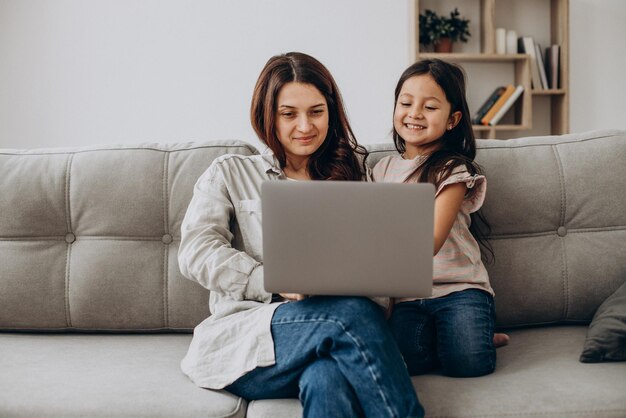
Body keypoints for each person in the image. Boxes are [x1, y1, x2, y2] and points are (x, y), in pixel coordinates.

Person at [178, 52, 424, 418]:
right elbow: (196, 251)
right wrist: (274, 281)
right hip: (251, 343)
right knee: (348, 315)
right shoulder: (229, 173)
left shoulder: (354, 176)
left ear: (331, 112)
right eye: (289, 114)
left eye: (316, 112)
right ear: (268, 115)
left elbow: (383, 271)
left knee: (326, 380)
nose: (305, 126)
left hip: (336, 341)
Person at [373, 58, 509, 378]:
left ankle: (479, 336)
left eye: (430, 107)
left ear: (452, 120)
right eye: (406, 103)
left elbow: (431, 241)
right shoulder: (379, 172)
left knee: (469, 363)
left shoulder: (453, 171)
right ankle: (460, 337)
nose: (415, 113)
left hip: (459, 288)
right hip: (408, 296)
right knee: (410, 363)